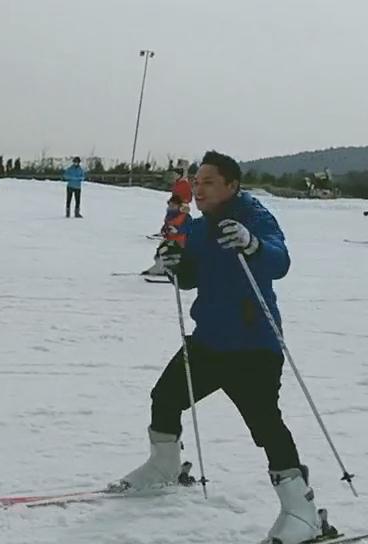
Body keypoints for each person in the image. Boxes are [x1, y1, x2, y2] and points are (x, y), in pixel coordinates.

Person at [116, 150, 323, 544]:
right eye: (196, 183)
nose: (199, 190)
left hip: (254, 345)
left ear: (232, 185)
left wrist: (252, 244)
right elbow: (192, 277)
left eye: (208, 183)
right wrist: (175, 264)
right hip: (209, 341)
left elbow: (280, 261)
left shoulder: (254, 216)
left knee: (266, 425)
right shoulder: (198, 228)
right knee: (165, 397)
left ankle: (302, 510)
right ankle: (164, 467)